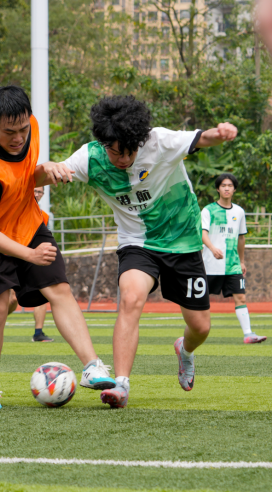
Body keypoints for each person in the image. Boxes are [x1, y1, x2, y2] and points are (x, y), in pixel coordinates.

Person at [44, 95, 238, 408]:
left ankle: (185, 350)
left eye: (129, 151)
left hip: (183, 242)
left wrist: (222, 132)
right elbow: (47, 173)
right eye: (114, 151)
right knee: (131, 298)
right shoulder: (91, 158)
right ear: (104, 143)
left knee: (201, 327)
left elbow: (203, 138)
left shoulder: (160, 142)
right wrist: (46, 171)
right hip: (137, 242)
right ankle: (121, 385)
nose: (122, 159)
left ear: (139, 141)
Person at [0, 85, 115, 410]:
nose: (19, 138)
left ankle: (92, 366)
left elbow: (26, 177)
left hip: (25, 220)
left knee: (59, 289)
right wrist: (28, 255)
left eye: (23, 129)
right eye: (9, 132)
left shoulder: (29, 124)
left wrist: (48, 168)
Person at [201, 173, 267, 344]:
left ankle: (248, 334)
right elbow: (203, 234)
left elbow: (241, 238)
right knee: (200, 299)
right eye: (223, 185)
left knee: (241, 298)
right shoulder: (208, 210)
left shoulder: (239, 211)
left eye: (230, 186)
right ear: (218, 189)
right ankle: (195, 333)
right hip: (210, 264)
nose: (227, 188)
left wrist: (242, 261)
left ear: (234, 189)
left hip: (232, 265)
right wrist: (212, 248)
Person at [31, 187, 53, 342]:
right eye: (35, 191)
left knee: (43, 293)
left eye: (40, 192)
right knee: (10, 300)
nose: (37, 194)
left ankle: (38, 333)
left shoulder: (44, 216)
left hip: (35, 258)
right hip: (13, 256)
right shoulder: (14, 209)